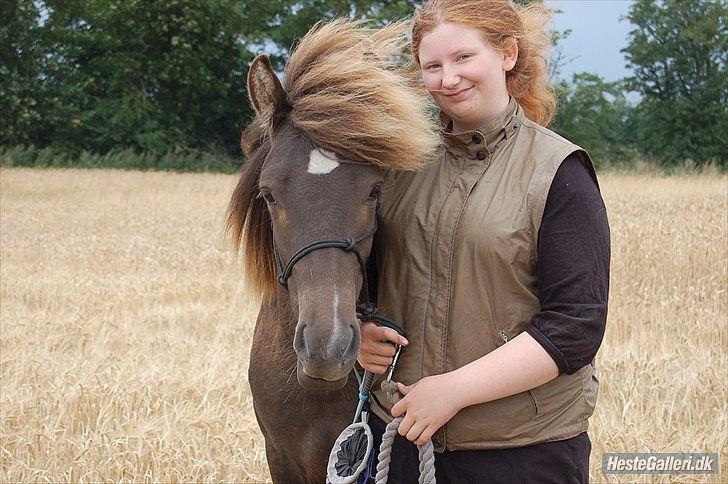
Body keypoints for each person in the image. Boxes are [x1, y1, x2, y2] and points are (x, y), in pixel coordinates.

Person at [356, 0, 610, 482]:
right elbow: (362, 284)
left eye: (463, 57)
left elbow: (575, 326)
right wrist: (360, 334)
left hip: (524, 452)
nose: (447, 78)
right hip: (404, 440)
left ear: (508, 53)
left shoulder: (560, 172)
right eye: (432, 65)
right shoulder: (397, 166)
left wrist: (453, 390)